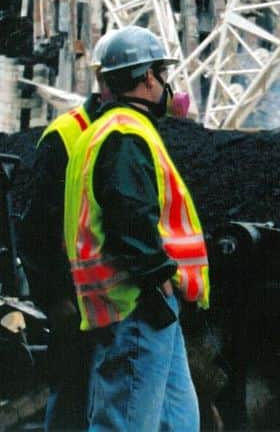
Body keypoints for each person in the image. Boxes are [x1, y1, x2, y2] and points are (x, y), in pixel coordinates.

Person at [63, 25, 209, 432]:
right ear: (147, 78)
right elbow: (130, 217)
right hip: (138, 304)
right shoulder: (126, 135)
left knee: (177, 421)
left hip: (143, 306)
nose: (166, 84)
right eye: (162, 74)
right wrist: (159, 280)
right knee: (127, 423)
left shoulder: (101, 134)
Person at [18, 37, 112, 431]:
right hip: (74, 297)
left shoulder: (124, 130)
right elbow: (37, 226)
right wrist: (55, 299)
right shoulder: (66, 136)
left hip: (108, 296)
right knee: (74, 394)